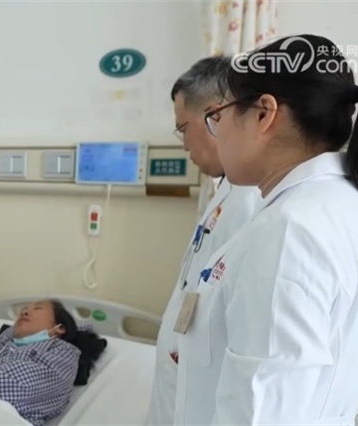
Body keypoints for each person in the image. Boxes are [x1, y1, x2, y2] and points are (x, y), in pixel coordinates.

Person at [175, 34, 358, 425]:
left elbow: (260, 413)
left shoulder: (290, 232)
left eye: (220, 115)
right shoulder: (341, 207)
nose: (218, 130)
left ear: (263, 114)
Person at [145, 56, 262, 426]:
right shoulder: (227, 190)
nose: (183, 145)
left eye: (183, 128)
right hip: (181, 378)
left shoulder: (253, 199)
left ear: (215, 116)